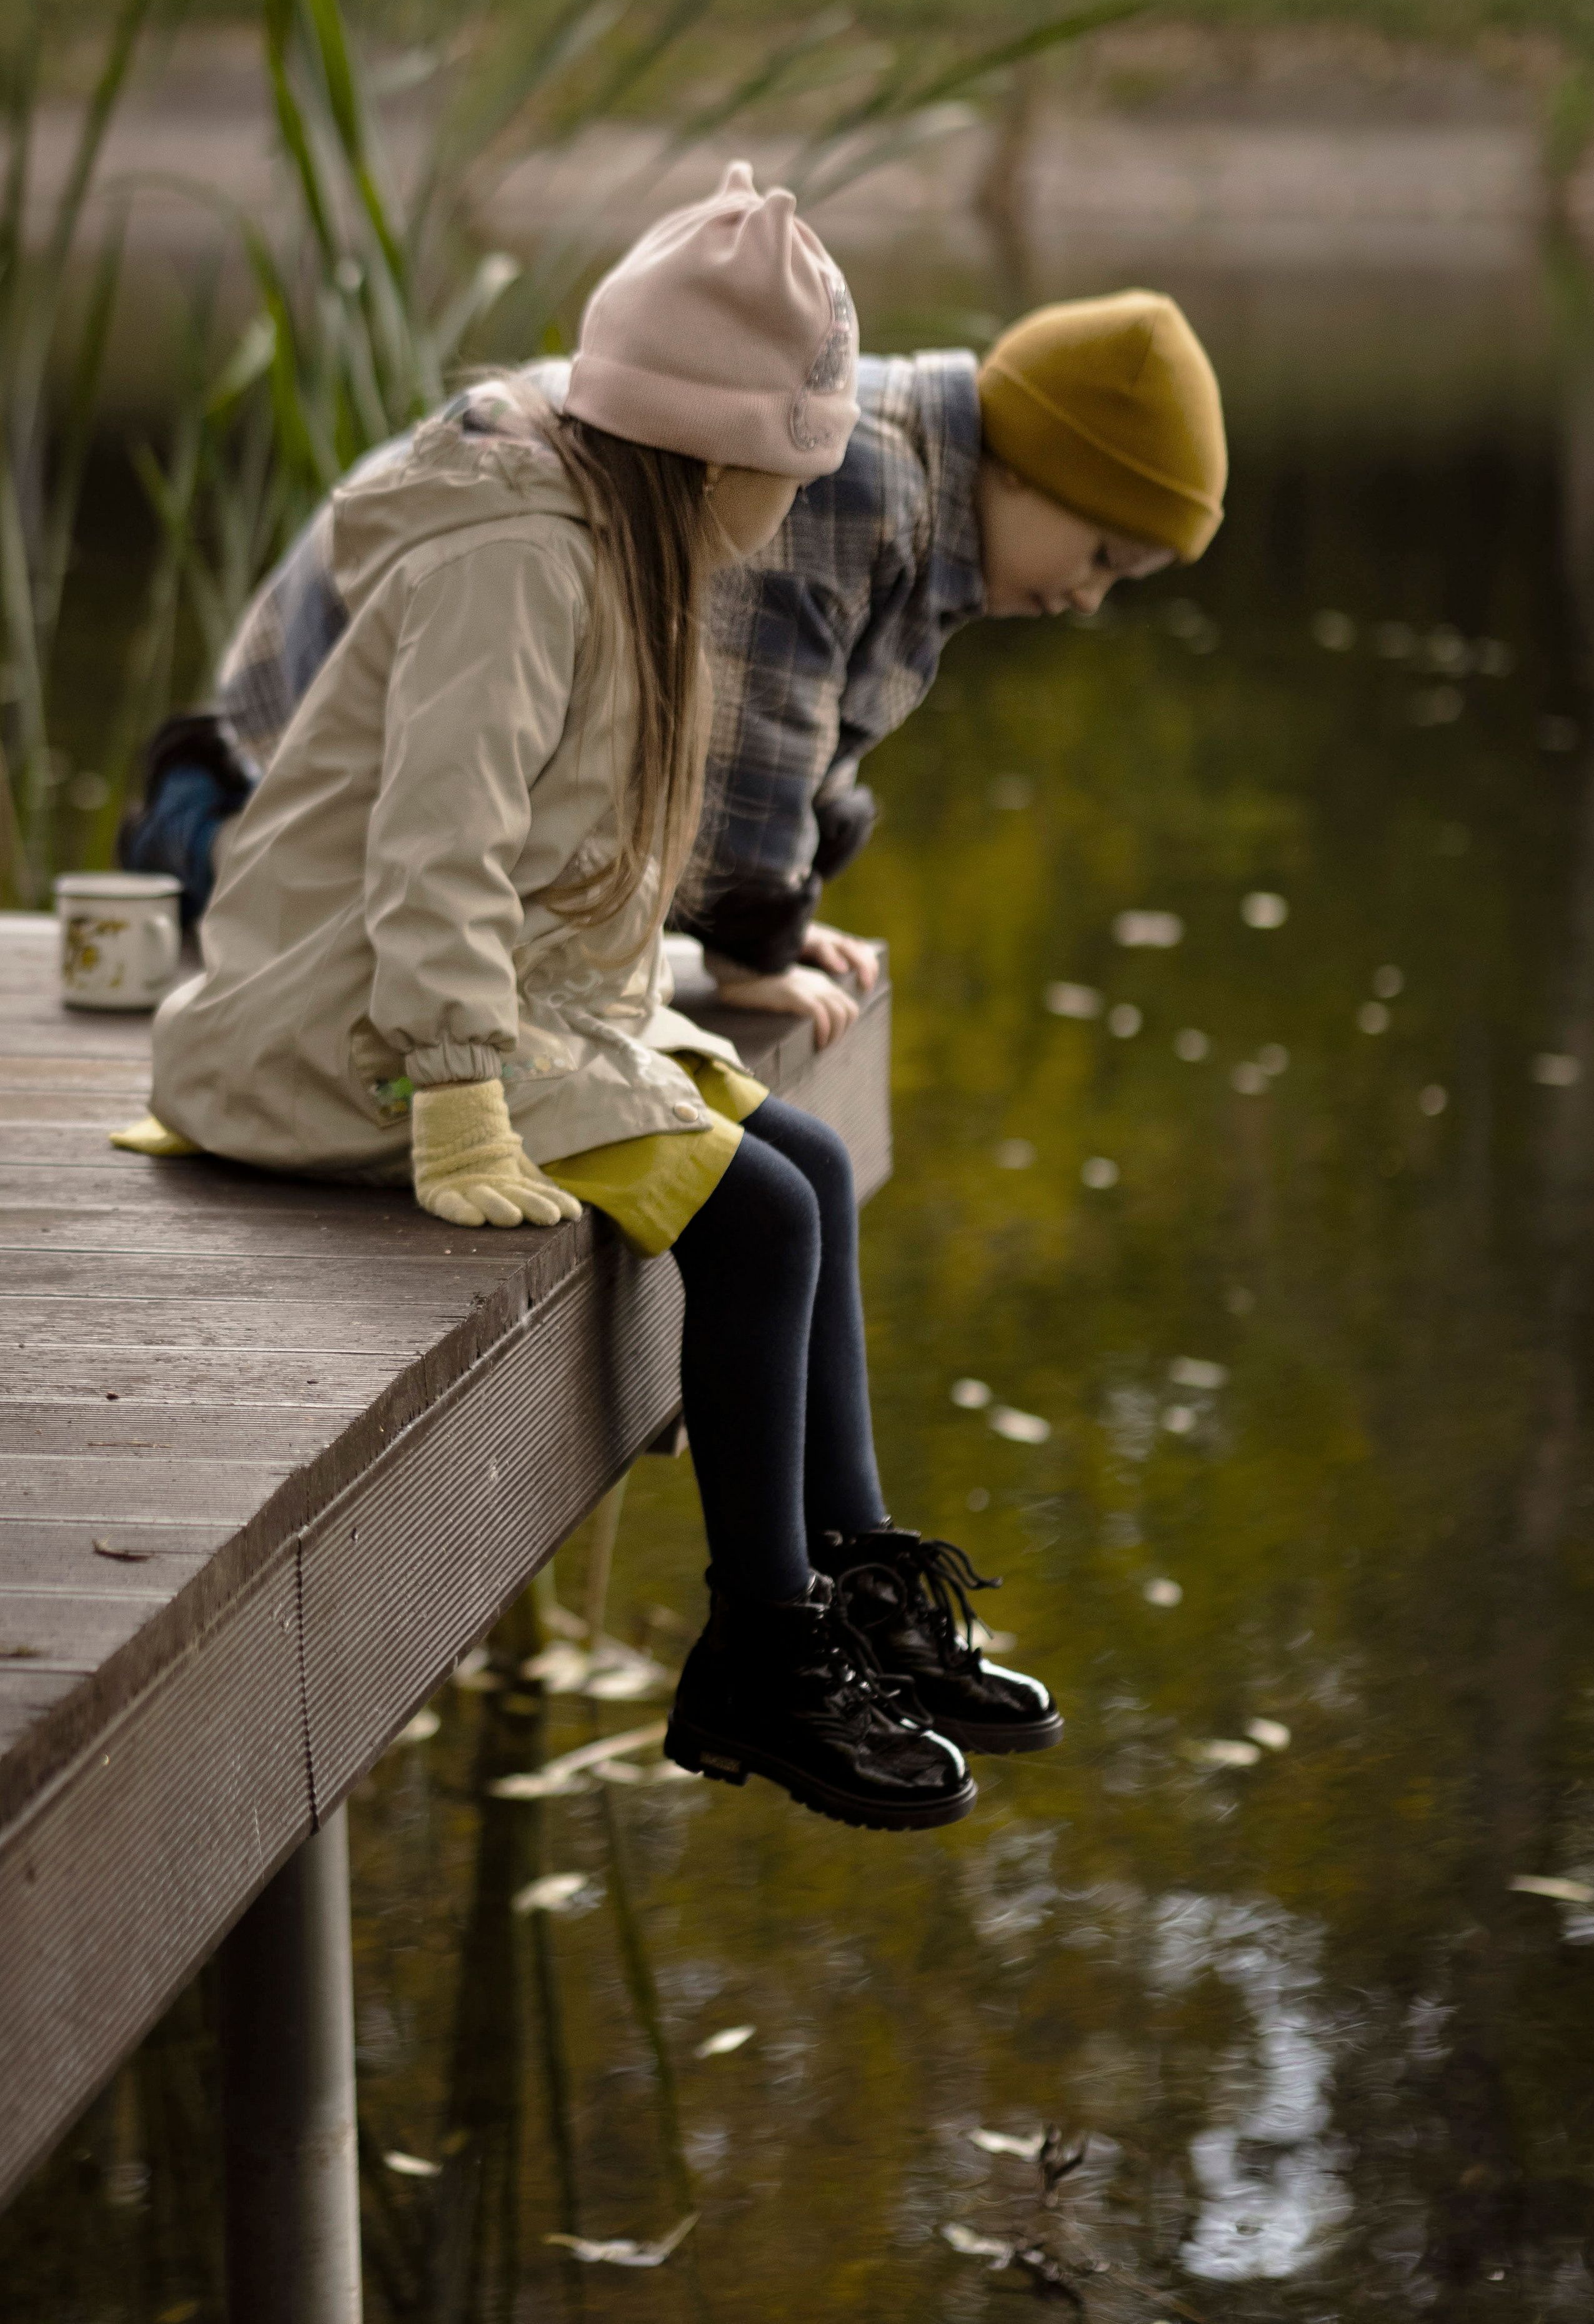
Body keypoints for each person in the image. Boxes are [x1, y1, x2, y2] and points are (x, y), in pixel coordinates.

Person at [114, 164, 1063, 1834]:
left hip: (467, 1004)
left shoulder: (627, 537)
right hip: (352, 1033)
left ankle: (846, 1576)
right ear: (716, 450)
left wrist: (646, 1020)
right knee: (758, 1224)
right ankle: (762, 1654)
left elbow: (567, 861)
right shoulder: (515, 561)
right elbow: (440, 846)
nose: (802, 494)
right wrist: (464, 1086)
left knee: (813, 1173)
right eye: (794, 463)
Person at [119, 282, 1227, 1047]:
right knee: (320, 923)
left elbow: (808, 737)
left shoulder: (912, 485)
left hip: (412, 790)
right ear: (1027, 470)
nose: (1088, 598)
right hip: (285, 779)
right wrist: (752, 950)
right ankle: (178, 835)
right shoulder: (856, 473)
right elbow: (756, 736)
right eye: (1101, 558)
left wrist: (781, 907)